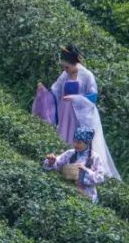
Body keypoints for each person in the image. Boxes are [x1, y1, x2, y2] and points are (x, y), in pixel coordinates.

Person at [32, 44, 120, 180]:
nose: (65, 69)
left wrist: (76, 98)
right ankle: (63, 166)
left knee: (81, 140)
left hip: (82, 115)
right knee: (65, 138)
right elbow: (55, 92)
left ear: (75, 63)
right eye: (64, 67)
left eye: (67, 67)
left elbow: (93, 97)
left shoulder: (87, 75)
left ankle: (87, 171)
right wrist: (43, 92)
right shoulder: (65, 75)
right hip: (66, 114)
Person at [43, 128, 108, 203]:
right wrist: (51, 162)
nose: (75, 144)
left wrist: (85, 171)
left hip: (87, 196)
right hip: (67, 191)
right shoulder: (70, 153)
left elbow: (100, 178)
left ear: (87, 143)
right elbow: (57, 163)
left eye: (79, 142)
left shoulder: (95, 157)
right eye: (74, 141)